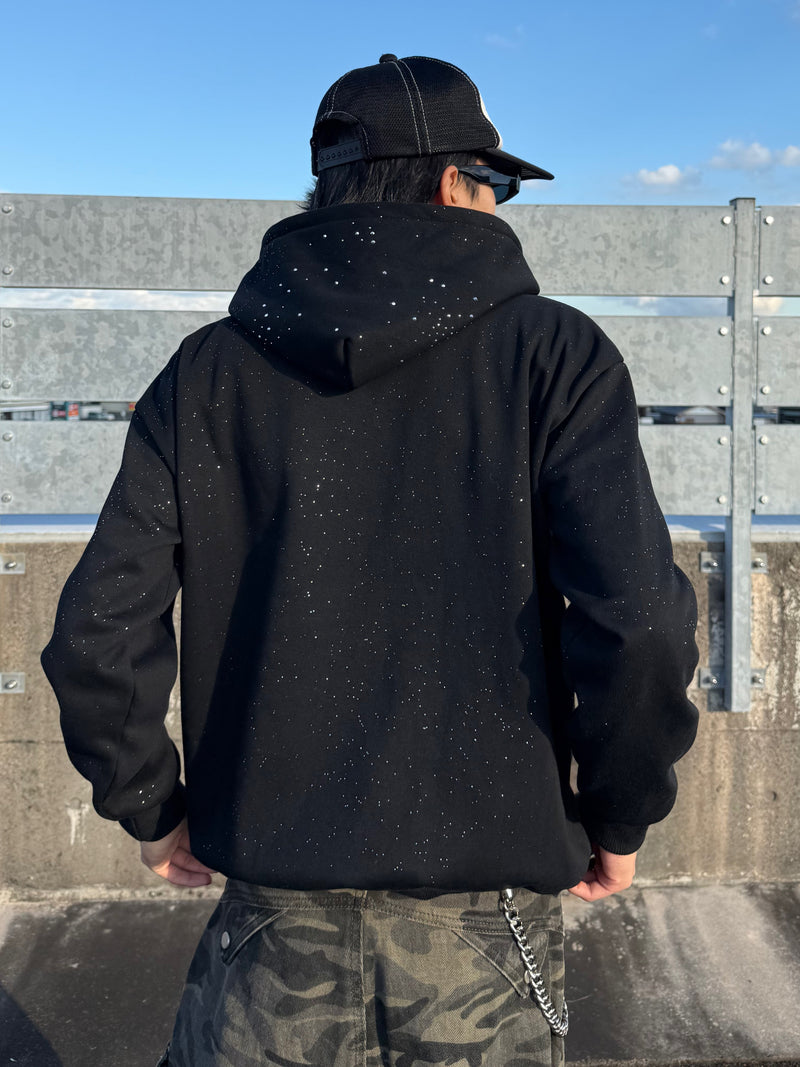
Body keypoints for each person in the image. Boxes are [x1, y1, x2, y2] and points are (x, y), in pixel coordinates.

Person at [40, 54, 700, 1067]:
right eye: (498, 180)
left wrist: (147, 804)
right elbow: (639, 620)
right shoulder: (554, 354)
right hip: (487, 928)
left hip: (270, 922)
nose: (499, 204)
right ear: (452, 183)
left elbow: (99, 625)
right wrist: (621, 811)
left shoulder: (209, 369)